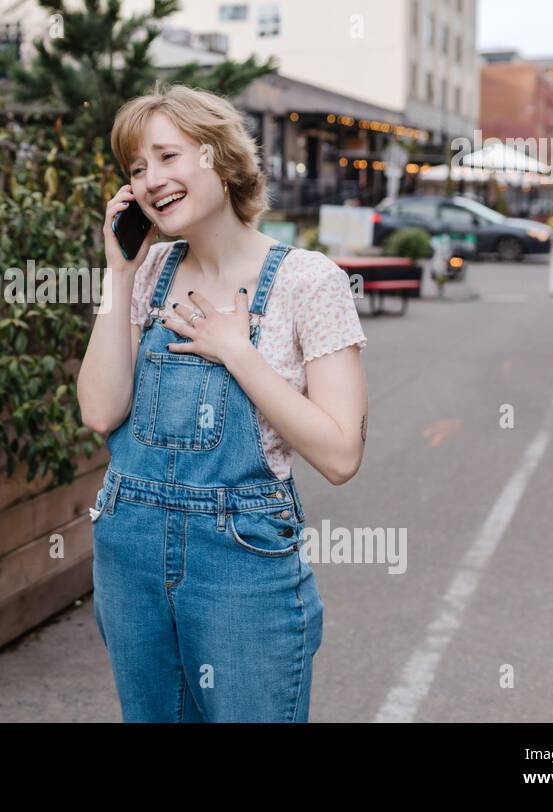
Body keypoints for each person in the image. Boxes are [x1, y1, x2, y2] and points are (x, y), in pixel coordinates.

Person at [77, 82, 368, 722]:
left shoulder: (309, 282)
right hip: (131, 555)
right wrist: (118, 274)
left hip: (242, 563)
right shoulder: (147, 274)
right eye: (136, 168)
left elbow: (342, 453)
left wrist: (238, 352)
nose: (150, 180)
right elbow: (99, 412)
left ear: (217, 156)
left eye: (167, 156)